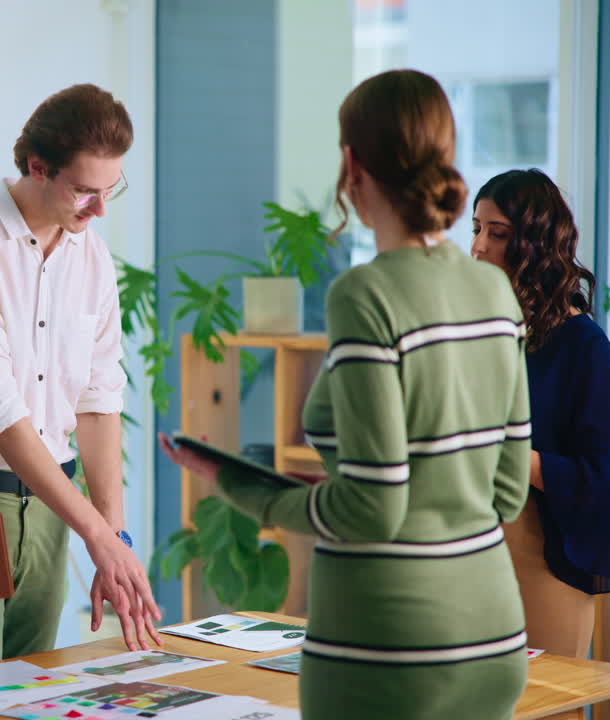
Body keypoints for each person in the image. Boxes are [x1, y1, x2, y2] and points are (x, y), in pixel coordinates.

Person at [162, 69, 532, 719]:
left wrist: (246, 489)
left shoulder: (365, 294)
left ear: (352, 165)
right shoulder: (493, 290)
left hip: (390, 644)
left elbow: (374, 507)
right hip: (493, 638)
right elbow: (505, 494)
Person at [0, 83, 161, 671]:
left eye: (110, 191)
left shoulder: (91, 258)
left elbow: (99, 400)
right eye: (84, 191)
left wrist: (113, 541)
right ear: (37, 166)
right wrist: (94, 532)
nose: (98, 211)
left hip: (51, 510)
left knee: (35, 693)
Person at [471, 168, 610, 659]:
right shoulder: (482, 332)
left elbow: (600, 478)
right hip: (470, 554)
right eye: (476, 229)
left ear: (536, 246)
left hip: (544, 563)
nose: (478, 247)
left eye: (497, 233)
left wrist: (509, 456)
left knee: (545, 697)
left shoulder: (583, 346)